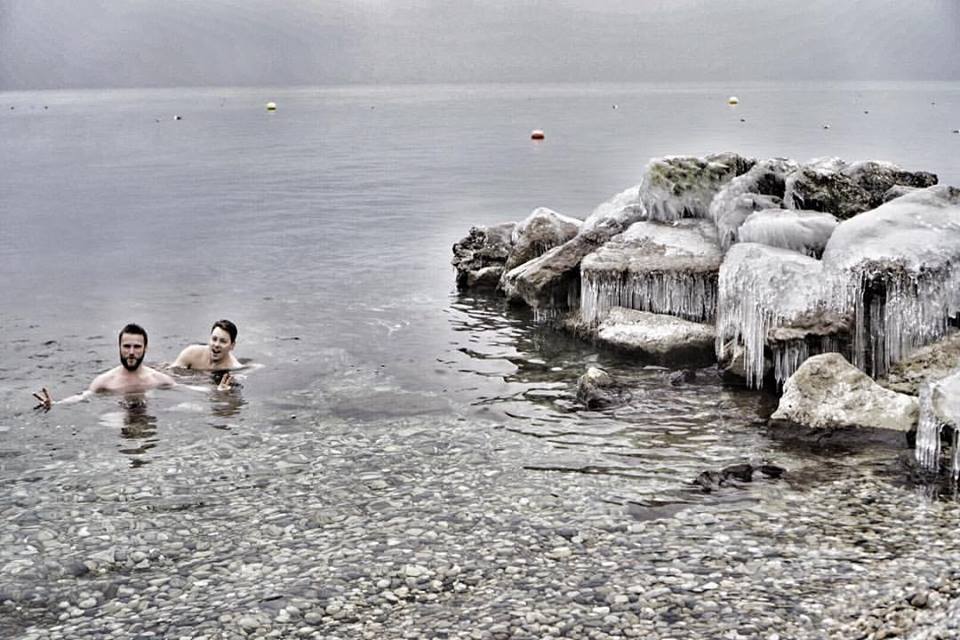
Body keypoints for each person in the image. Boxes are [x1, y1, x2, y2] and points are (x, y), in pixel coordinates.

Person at [32, 323, 230, 410]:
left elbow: (184, 388)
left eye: (137, 346)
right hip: (118, 413)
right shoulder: (105, 381)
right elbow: (83, 397)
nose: (132, 352)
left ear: (145, 348)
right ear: (119, 347)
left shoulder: (156, 378)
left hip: (147, 411)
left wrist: (216, 391)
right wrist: (55, 405)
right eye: (127, 346)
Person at [172, 319, 242, 372]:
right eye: (214, 339)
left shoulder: (234, 369)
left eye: (223, 341)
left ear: (232, 345)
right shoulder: (191, 353)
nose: (217, 344)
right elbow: (170, 374)